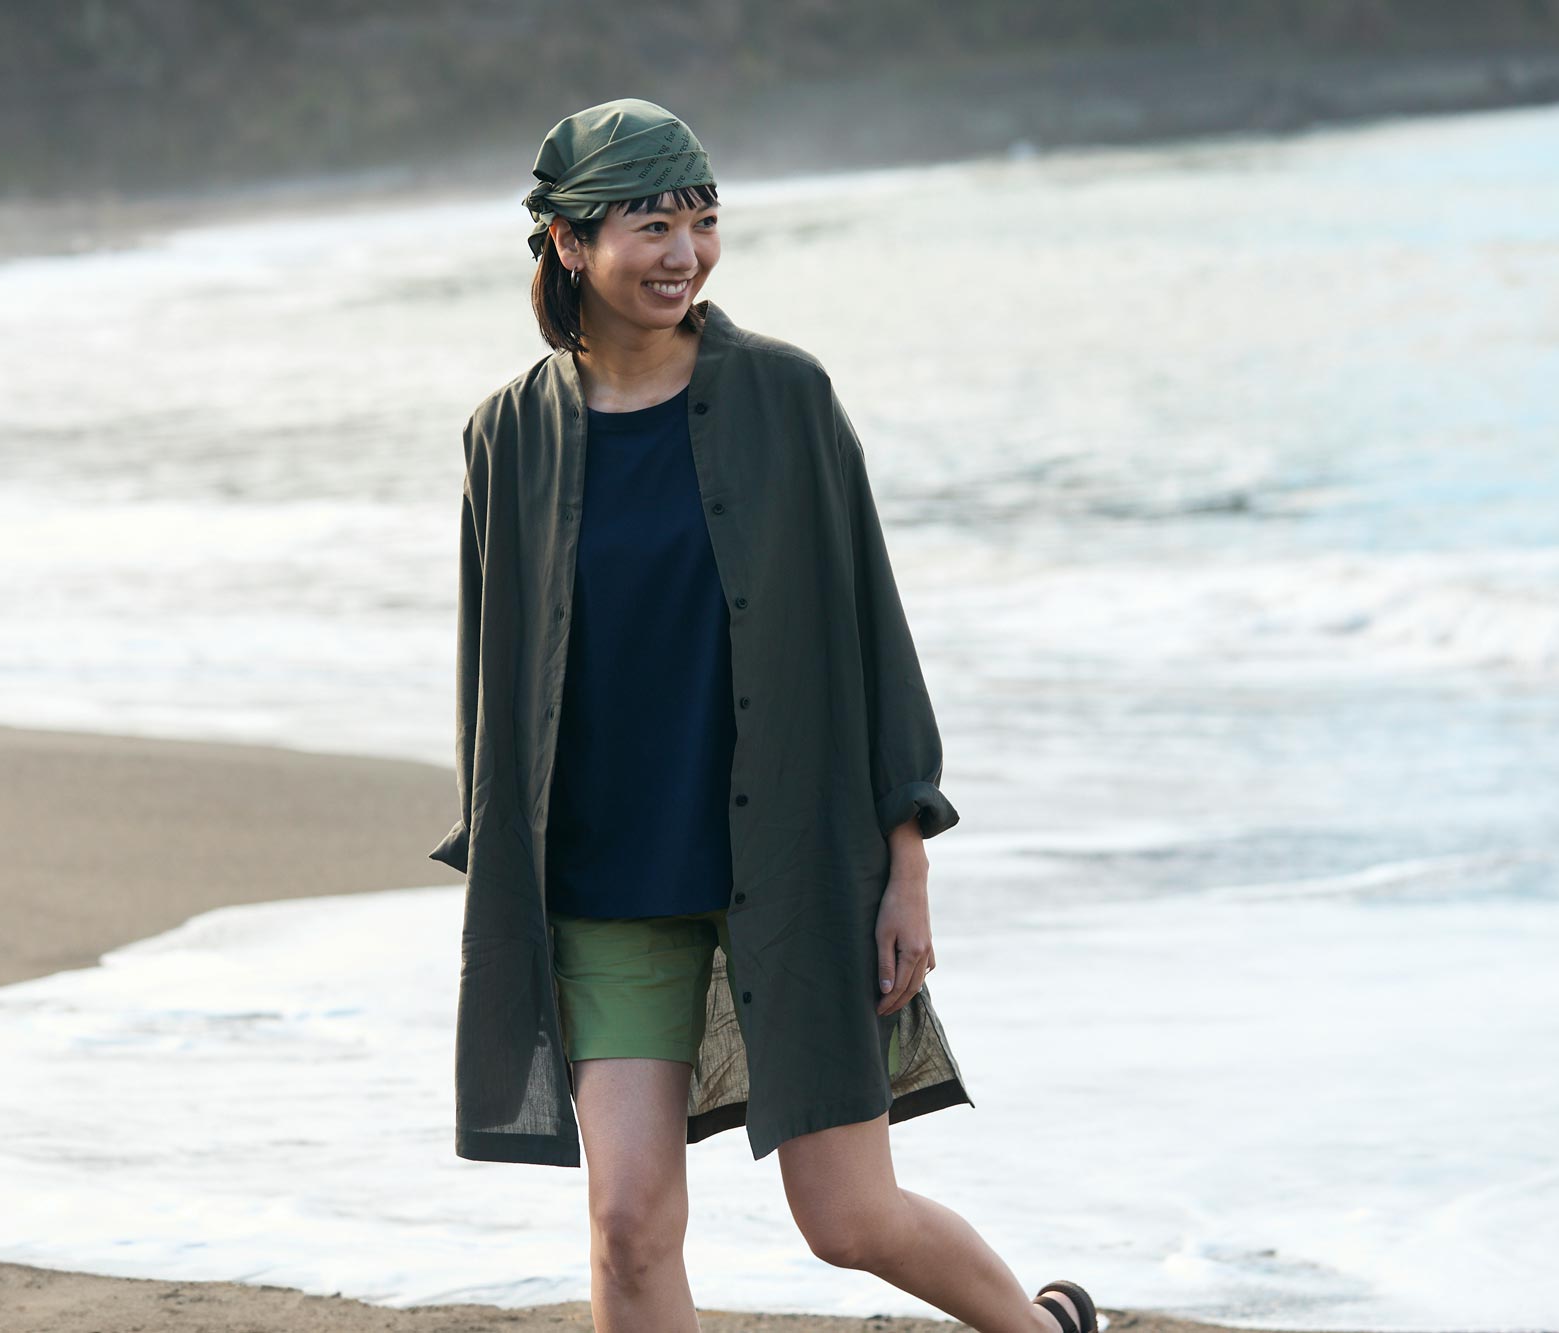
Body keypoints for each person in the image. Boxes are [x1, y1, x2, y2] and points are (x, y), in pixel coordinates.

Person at [437, 97, 1100, 1333]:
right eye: (650, 225)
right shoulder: (506, 436)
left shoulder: (786, 398)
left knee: (846, 1219)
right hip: (604, 883)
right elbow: (493, 683)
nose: (683, 252)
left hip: (788, 868)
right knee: (626, 1224)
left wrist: (905, 863)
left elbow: (871, 633)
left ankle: (1040, 1328)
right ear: (569, 243)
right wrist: (500, 879)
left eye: (701, 221)